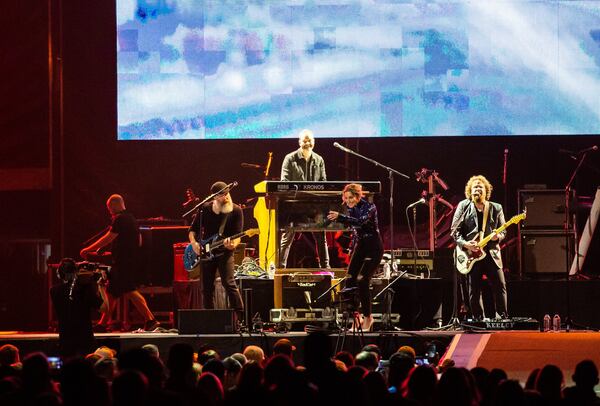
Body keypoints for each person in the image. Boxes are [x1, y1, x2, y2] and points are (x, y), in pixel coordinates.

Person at [80, 194, 159, 331]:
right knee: (112, 293)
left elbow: (108, 238)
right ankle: (102, 324)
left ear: (116, 205)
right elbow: (138, 242)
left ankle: (150, 319)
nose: (109, 210)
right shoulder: (132, 219)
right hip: (128, 261)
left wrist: (88, 249)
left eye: (109, 207)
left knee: (129, 290)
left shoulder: (120, 219)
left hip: (123, 263)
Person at [327, 183, 383, 331]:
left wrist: (341, 217)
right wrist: (352, 248)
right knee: (350, 280)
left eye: (351, 198)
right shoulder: (351, 208)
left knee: (362, 279)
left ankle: (368, 317)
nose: (349, 201)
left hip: (373, 247)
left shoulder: (370, 207)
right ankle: (355, 318)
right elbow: (355, 230)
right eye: (346, 199)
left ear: (358, 196)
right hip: (360, 246)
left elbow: (361, 222)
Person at [451, 175, 508, 320]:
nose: (477, 188)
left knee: (500, 285)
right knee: (474, 289)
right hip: (472, 254)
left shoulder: (496, 207)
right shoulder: (463, 206)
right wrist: (465, 244)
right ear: (470, 191)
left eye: (480, 186)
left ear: (486, 191)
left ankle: (502, 317)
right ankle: (478, 319)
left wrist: (498, 236)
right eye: (475, 186)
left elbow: (504, 230)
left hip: (491, 253)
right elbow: (454, 231)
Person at [188, 181, 244, 322]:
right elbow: (192, 230)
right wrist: (194, 244)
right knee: (206, 288)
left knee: (228, 283)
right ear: (213, 197)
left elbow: (238, 235)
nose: (225, 197)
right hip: (206, 252)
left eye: (227, 194)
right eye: (221, 195)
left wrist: (232, 245)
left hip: (225, 252)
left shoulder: (236, 210)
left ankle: (242, 317)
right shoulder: (204, 209)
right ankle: (210, 320)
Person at [279, 129, 330, 269]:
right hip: (294, 205)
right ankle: (280, 268)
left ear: (314, 142)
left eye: (310, 140)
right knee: (287, 237)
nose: (307, 143)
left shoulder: (319, 159)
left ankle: (325, 268)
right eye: (305, 140)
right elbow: (284, 182)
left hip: (314, 206)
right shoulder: (290, 158)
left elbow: (324, 183)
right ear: (299, 142)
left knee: (321, 236)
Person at [50, 258, 109, 357]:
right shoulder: (85, 289)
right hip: (85, 341)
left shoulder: (54, 291)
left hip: (65, 342)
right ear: (75, 272)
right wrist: (101, 287)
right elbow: (105, 309)